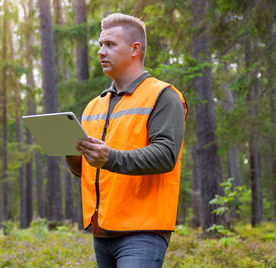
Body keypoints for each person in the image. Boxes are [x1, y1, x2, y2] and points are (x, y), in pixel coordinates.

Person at [66, 13, 187, 268]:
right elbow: (86, 169)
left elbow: (165, 155)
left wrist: (109, 157)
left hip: (142, 231)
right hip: (102, 232)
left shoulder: (163, 96)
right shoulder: (93, 106)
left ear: (135, 49)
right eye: (100, 45)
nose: (101, 51)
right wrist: (71, 153)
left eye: (110, 44)